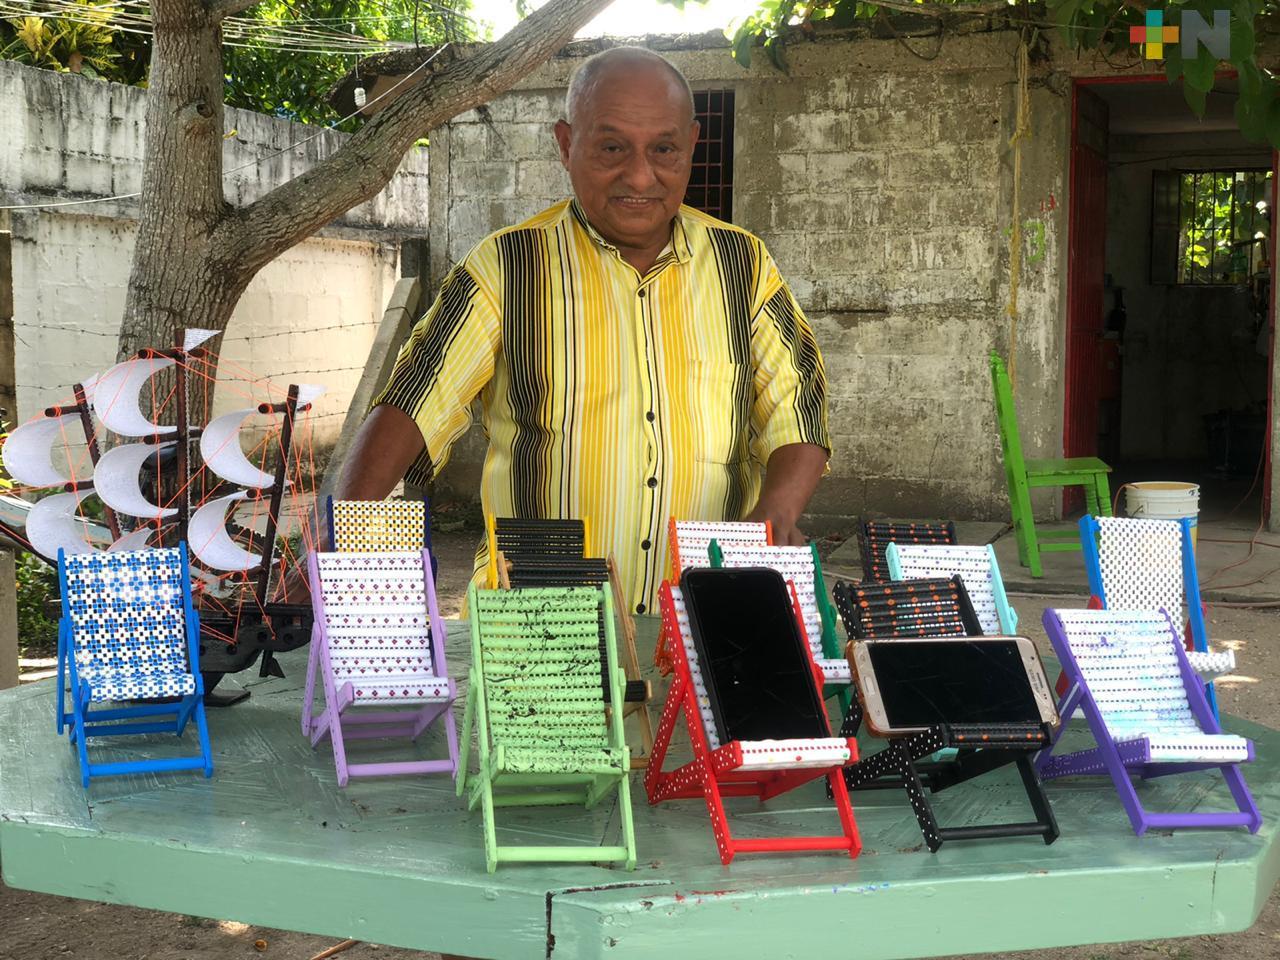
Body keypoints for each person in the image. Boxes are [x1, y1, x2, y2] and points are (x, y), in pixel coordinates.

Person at [335, 45, 830, 615]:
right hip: (533, 625)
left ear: (692, 145)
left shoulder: (743, 265)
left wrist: (775, 515)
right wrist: (339, 540)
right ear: (567, 145)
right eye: (612, 147)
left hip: (701, 618)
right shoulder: (508, 267)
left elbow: (798, 406)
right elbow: (415, 400)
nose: (640, 176)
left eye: (664, 149)